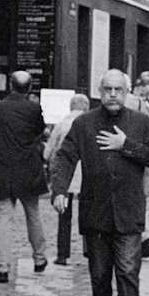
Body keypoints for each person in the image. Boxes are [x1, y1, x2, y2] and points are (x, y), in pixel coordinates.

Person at [50, 71, 149, 296]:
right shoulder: (84, 123)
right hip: (96, 213)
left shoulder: (139, 122)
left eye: (118, 89)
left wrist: (126, 145)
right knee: (100, 276)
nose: (113, 94)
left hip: (128, 212)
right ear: (99, 91)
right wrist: (60, 190)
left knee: (128, 273)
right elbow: (65, 157)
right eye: (108, 89)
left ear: (127, 92)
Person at [0, 71, 49, 283]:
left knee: (4, 217)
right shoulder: (34, 108)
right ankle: (39, 258)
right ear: (29, 87)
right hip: (28, 166)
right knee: (33, 214)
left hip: (4, 167)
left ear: (10, 85)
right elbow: (39, 130)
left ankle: (2, 267)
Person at [43, 94, 91, 264]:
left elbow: (48, 150)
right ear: (86, 106)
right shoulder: (90, 122)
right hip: (87, 174)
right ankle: (89, 250)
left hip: (67, 175)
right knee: (89, 214)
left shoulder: (62, 124)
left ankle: (63, 254)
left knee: (64, 216)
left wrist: (48, 159)